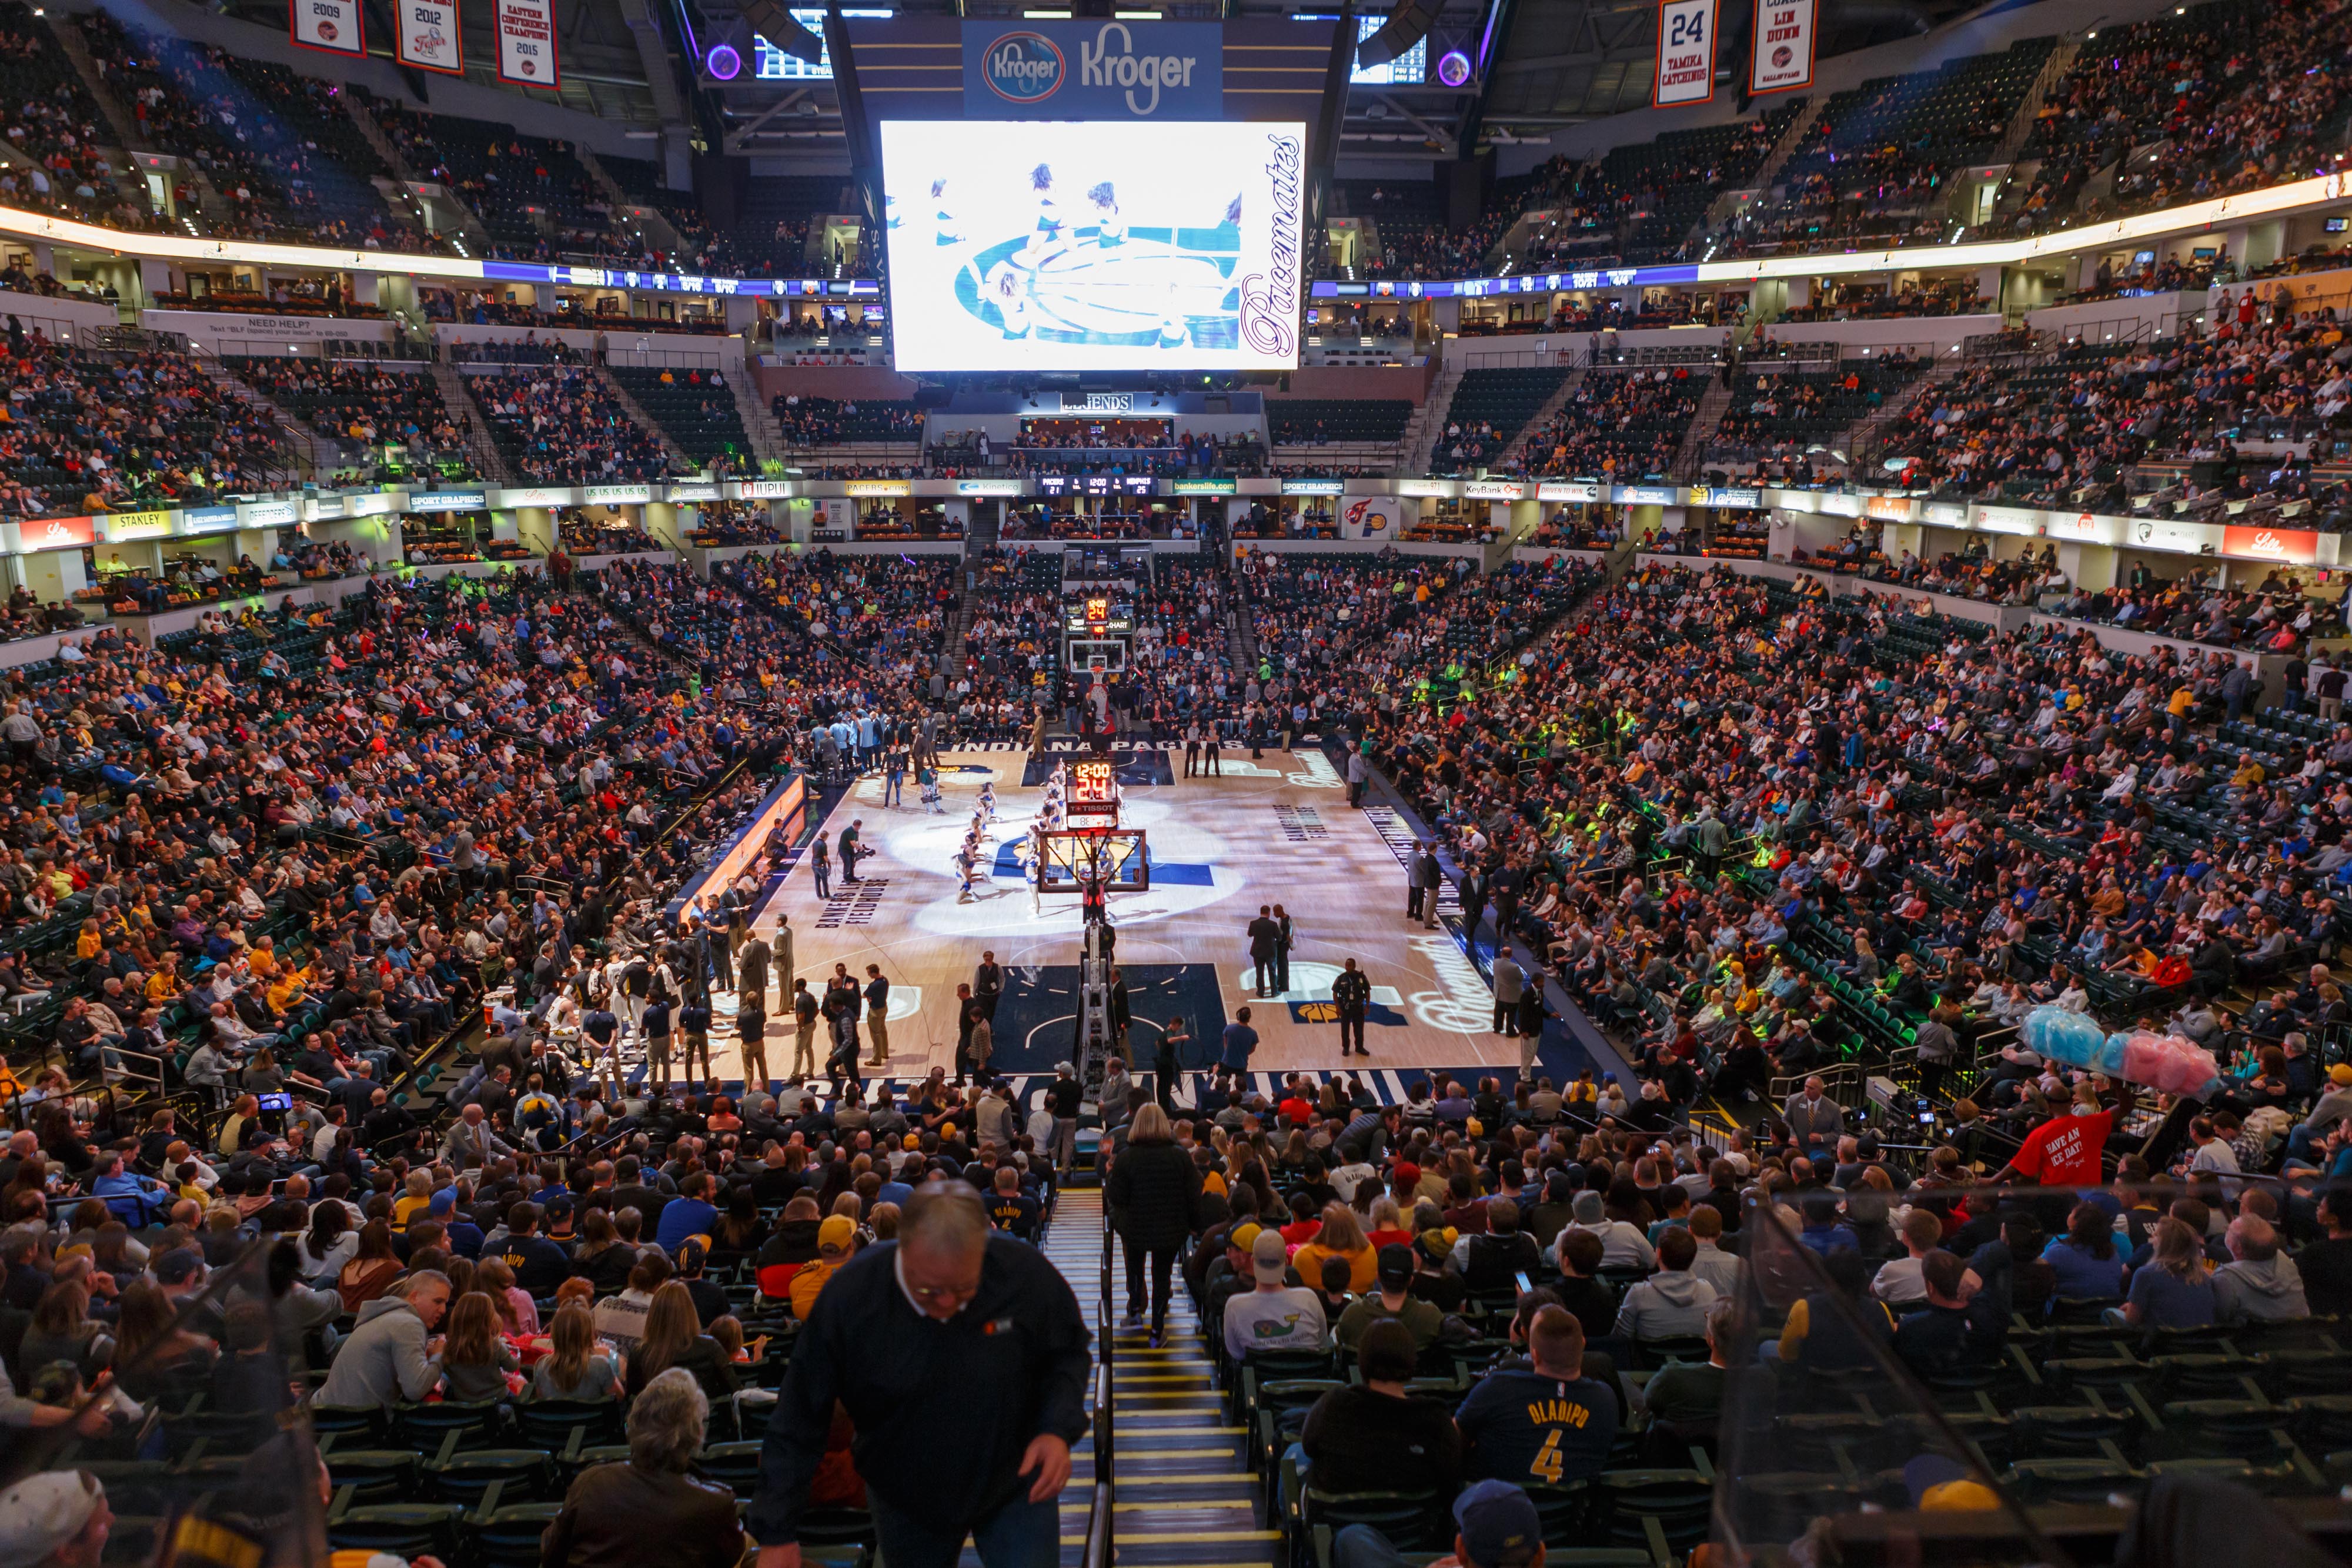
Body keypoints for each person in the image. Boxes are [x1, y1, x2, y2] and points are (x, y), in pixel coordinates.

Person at [749, 1182, 1090, 1568]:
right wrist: (776, 1531)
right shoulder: (852, 1295)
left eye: (963, 1288)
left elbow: (1067, 1352)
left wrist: (1056, 1429)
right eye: (929, 1289)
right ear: (903, 1252)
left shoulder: (1023, 1273)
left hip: (1013, 1473)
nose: (946, 1302)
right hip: (904, 1486)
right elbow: (799, 1412)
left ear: (984, 1250)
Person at [543, 1367, 745, 1568]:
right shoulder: (716, 1504)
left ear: (633, 1425)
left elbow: (551, 1553)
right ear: (698, 1433)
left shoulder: (590, 1483)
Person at [1455, 1305, 1618, 1486]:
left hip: (1501, 1509)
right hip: (1571, 1512)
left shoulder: (1497, 1388)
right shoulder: (1606, 1400)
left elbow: (1453, 1441)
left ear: (1535, 1355)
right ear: (1583, 1344)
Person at [1298, 1319, 1461, 1495]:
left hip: (1337, 1519)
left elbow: (1309, 1447)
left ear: (1362, 1360)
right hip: (1412, 1522)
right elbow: (1450, 1472)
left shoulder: (1333, 1405)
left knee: (1294, 1452)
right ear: (1411, 1360)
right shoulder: (1436, 1419)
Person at [1104, 1104, 1200, 1347]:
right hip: (1170, 1228)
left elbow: (1117, 1198)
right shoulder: (1180, 1156)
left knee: (1135, 1269)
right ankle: (1157, 1332)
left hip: (1135, 1227)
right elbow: (1194, 1194)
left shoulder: (1126, 1157)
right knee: (1162, 1276)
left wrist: (1110, 1175)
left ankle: (1135, 1312)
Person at [315, 1269, 449, 1410]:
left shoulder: (384, 1315)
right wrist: (438, 1355)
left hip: (328, 1414)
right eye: (438, 1301)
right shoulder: (409, 1324)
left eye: (446, 1303)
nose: (443, 1310)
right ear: (415, 1296)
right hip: (355, 1423)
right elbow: (416, 1389)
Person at [1222, 1228, 1327, 1358]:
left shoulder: (1235, 1307)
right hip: (1309, 1376)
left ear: (1253, 1261)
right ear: (1287, 1263)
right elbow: (1322, 1345)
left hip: (1258, 1377)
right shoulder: (1310, 1299)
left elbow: (1237, 1355)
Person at [2213, 1215, 2310, 1324]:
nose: (2227, 1230)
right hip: (2302, 1334)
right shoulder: (2284, 1258)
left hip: (2255, 1339)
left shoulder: (2226, 1278)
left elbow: (2220, 1320)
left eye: (2228, 1230)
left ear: (2238, 1248)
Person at [1334, 959, 1371, 1058]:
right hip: (1345, 1008)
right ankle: (1346, 1048)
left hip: (1358, 1007)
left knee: (1359, 1029)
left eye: (1349, 966)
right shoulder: (1341, 978)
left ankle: (1359, 1047)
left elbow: (1367, 991)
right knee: (1345, 1029)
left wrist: (1367, 1005)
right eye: (1346, 965)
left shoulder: (1361, 977)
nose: (1347, 968)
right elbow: (1335, 993)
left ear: (1354, 966)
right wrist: (1337, 1007)